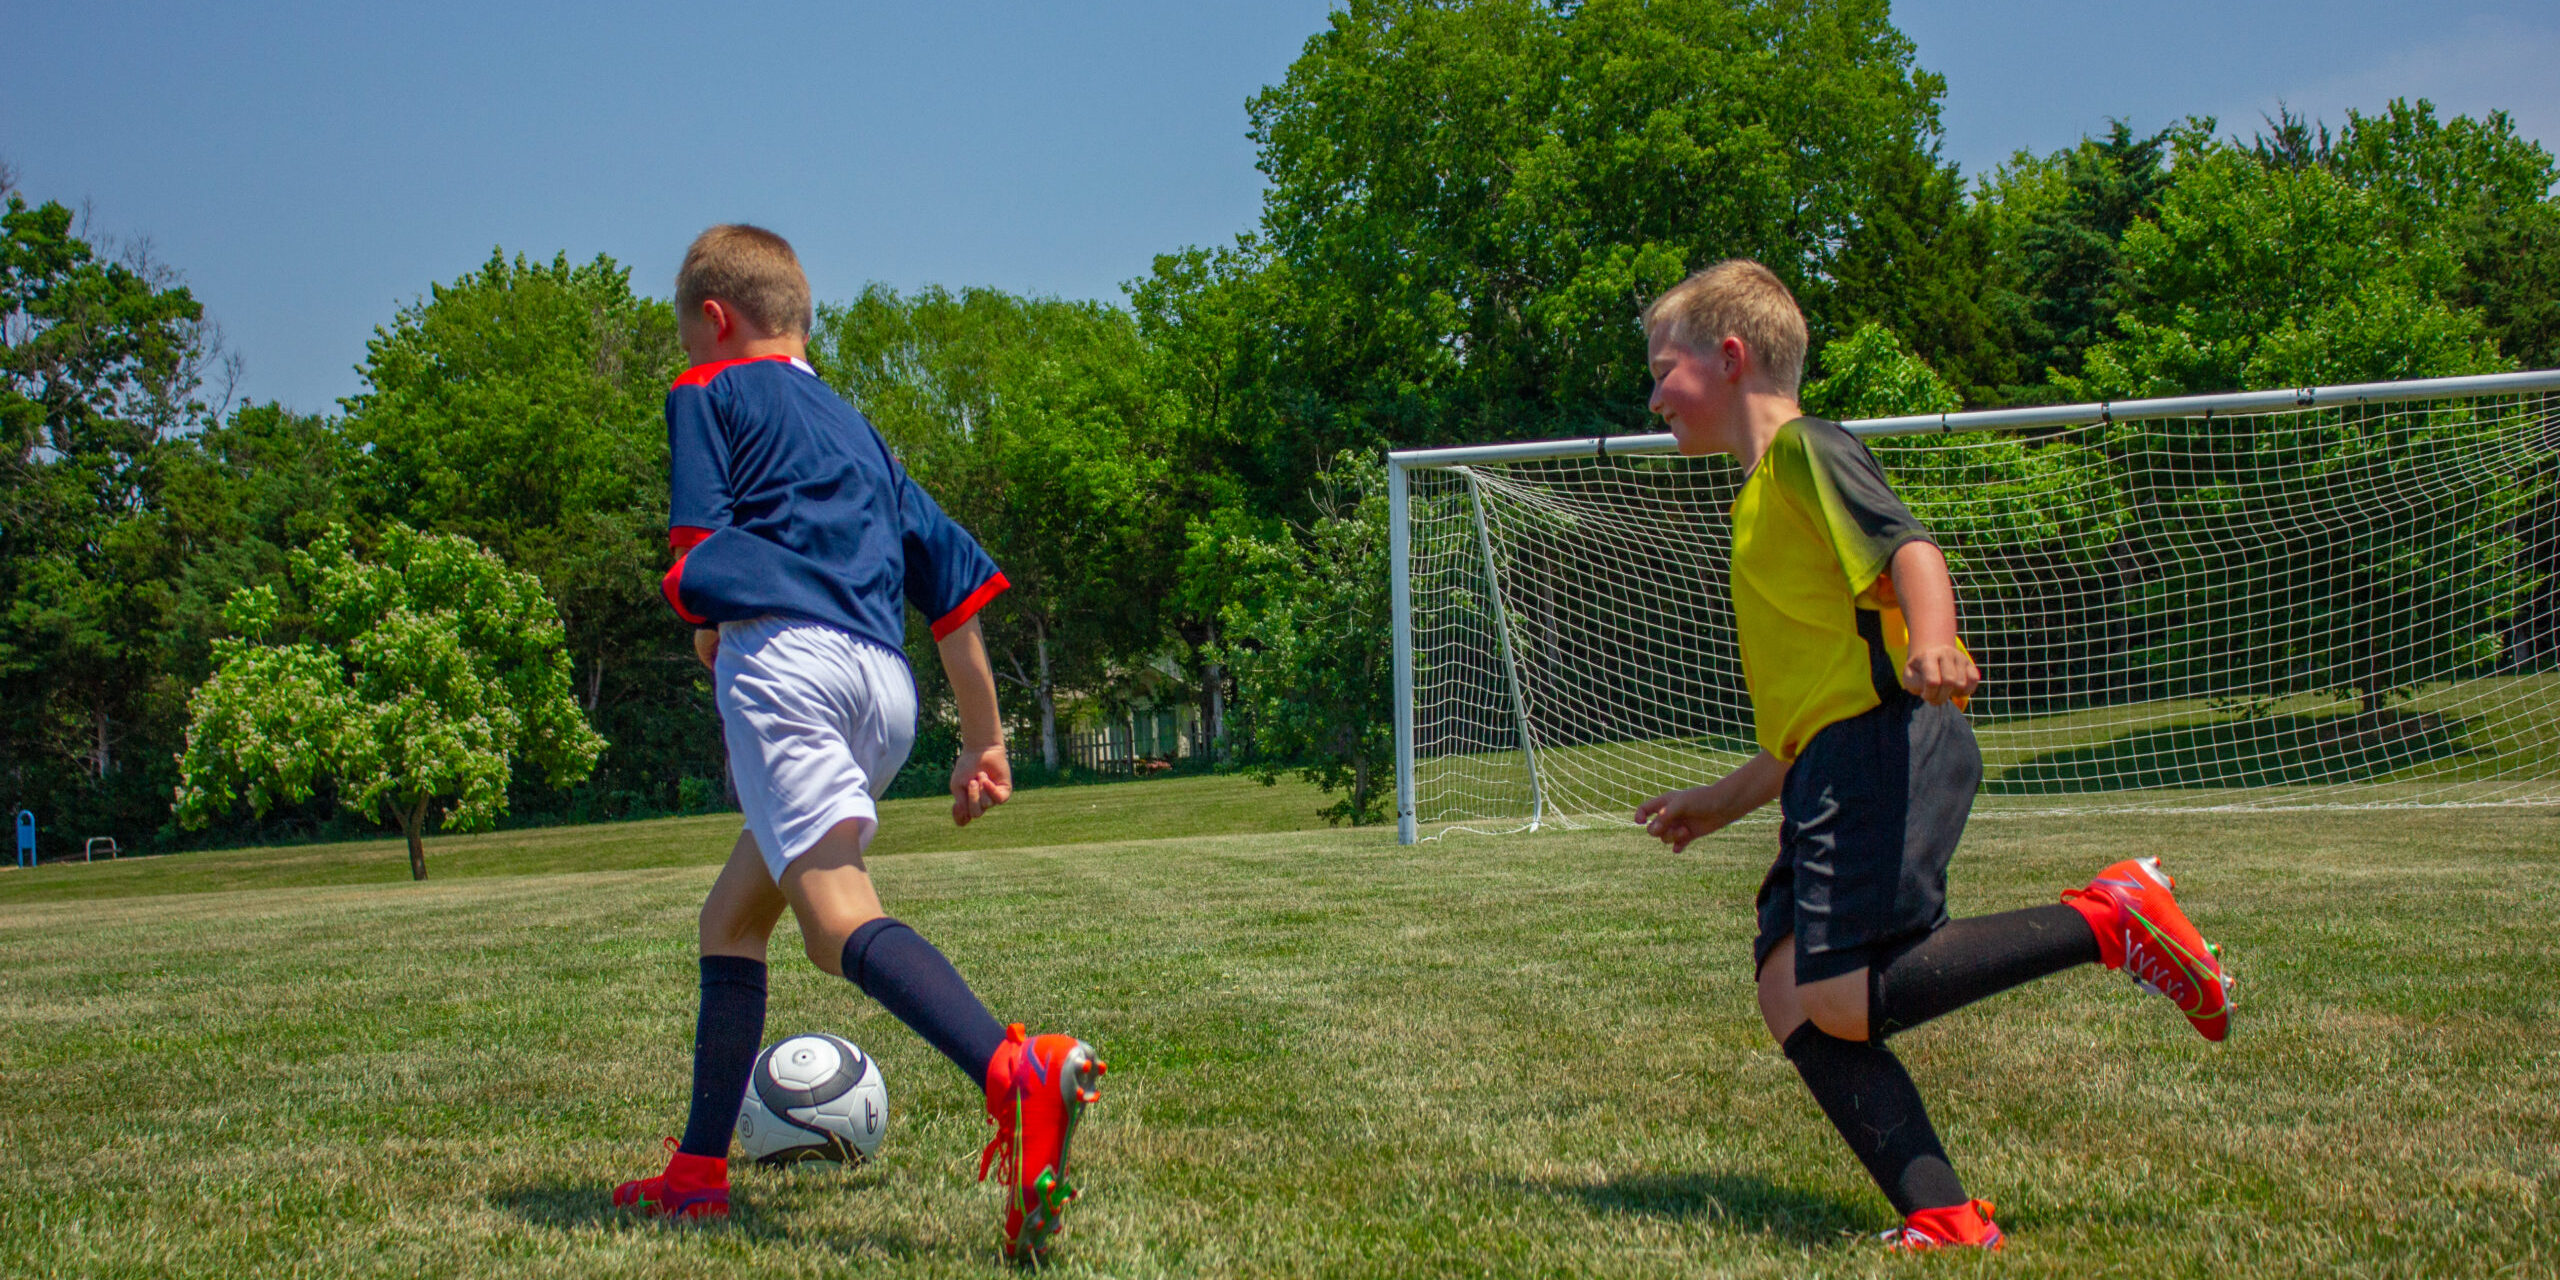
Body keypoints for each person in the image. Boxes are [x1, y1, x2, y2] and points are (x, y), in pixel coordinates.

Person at [1632, 260, 2233, 1252]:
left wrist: (1931, 636)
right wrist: (1715, 800)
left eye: (1664, 369)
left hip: (1888, 738)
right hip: (1836, 751)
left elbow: (1909, 547)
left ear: (1729, 358)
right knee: (1791, 990)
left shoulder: (1802, 454)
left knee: (1838, 990)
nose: (1653, 395)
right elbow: (1803, 716)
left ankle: (2108, 916)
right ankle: (1942, 1213)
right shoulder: (1752, 498)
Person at [612, 224, 1104, 1262]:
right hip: (883, 687)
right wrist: (984, 737)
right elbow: (955, 587)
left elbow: (699, 546)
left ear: (713, 320)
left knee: (834, 920)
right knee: (734, 915)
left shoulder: (708, 392)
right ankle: (698, 1174)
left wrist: (708, 631)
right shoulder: (863, 435)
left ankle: (1012, 1073)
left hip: (785, 664)